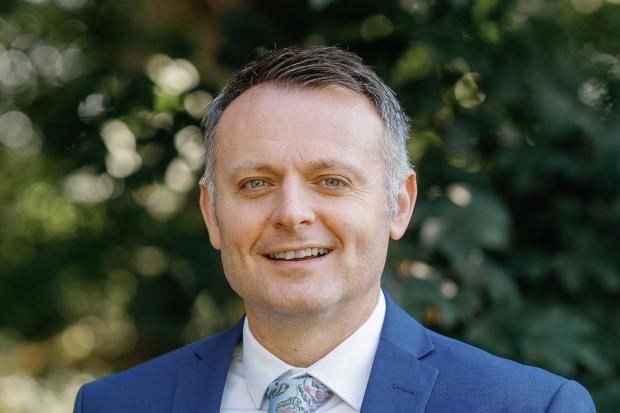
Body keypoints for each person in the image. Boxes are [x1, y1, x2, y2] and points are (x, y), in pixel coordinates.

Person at [73, 46, 596, 413]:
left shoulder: (531, 406)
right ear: (211, 213)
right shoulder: (114, 406)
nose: (292, 214)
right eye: (256, 183)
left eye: (331, 181)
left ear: (398, 205)